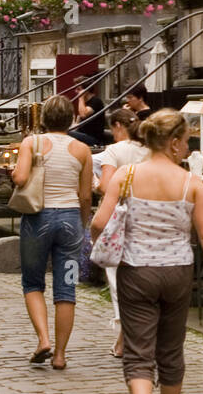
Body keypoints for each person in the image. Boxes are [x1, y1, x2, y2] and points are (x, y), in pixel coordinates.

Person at [91, 108, 203, 394]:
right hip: (177, 272)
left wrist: (111, 245)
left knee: (139, 353)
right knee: (171, 351)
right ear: (172, 143)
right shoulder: (192, 184)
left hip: (136, 270)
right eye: (186, 142)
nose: (188, 149)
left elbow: (98, 222)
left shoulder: (126, 175)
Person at [13, 95, 92, 370]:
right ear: (70, 119)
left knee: (33, 282)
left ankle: (43, 339)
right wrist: (83, 225)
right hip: (70, 220)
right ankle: (60, 355)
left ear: (43, 118)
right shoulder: (82, 150)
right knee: (66, 288)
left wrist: (17, 171)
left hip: (38, 218)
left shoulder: (30, 143)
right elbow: (85, 196)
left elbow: (21, 178)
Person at [97, 108, 149, 358]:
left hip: (120, 218)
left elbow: (107, 186)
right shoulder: (148, 149)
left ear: (118, 126)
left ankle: (124, 336)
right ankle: (126, 337)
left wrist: (96, 185)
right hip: (147, 214)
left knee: (117, 276)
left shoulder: (114, 151)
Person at [71, 82, 106, 148]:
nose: (76, 91)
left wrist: (81, 98)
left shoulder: (96, 101)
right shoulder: (85, 103)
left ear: (86, 90)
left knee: (66, 134)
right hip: (82, 134)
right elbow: (79, 121)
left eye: (78, 89)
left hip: (93, 139)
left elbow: (83, 114)